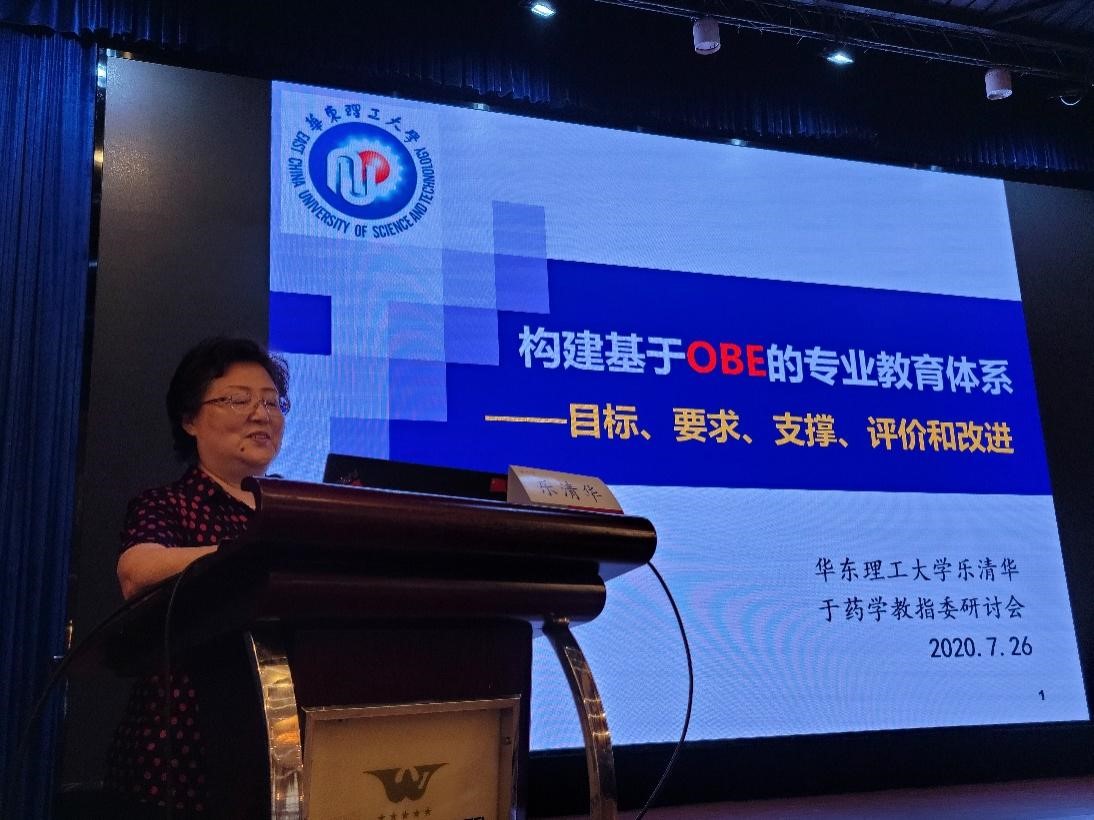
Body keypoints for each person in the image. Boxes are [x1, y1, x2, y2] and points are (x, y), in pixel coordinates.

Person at [104, 337, 289, 815]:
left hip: (283, 742)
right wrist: (245, 553)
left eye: (272, 402)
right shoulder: (167, 504)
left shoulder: (293, 507)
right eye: (238, 400)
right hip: (182, 749)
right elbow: (138, 571)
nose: (261, 414)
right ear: (190, 420)